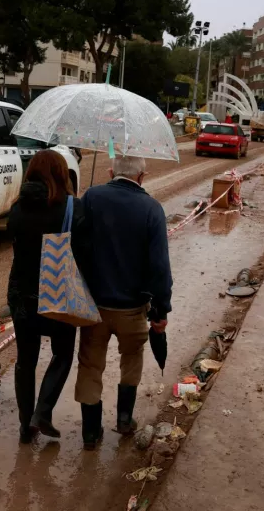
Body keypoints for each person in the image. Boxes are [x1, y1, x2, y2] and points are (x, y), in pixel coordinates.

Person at [76, 156, 172, 450]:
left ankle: (90, 433)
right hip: (133, 309)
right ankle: (124, 418)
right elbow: (160, 267)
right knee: (132, 359)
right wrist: (161, 309)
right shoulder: (152, 209)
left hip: (94, 307)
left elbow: (76, 245)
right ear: (142, 176)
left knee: (90, 366)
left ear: (110, 172)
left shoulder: (92, 197)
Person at [6, 150, 88, 444]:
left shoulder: (16, 207)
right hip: (58, 293)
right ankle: (43, 410)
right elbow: (83, 251)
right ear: (60, 173)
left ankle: (25, 426)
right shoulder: (71, 207)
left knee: (24, 361)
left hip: (21, 295)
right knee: (62, 354)